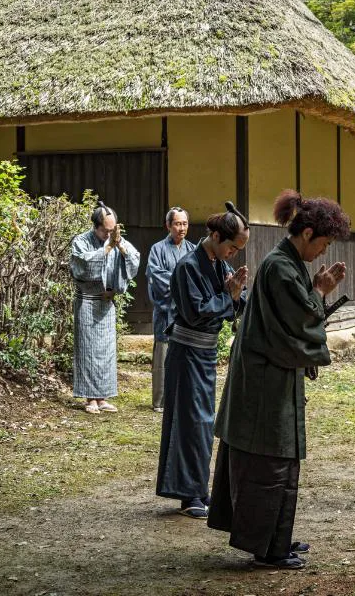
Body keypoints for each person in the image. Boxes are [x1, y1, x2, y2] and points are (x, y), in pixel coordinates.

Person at [208, 189, 350, 570]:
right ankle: (267, 549)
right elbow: (300, 320)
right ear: (306, 234)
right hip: (263, 382)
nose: (324, 251)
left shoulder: (287, 264)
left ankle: (276, 537)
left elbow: (299, 317)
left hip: (272, 376)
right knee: (268, 461)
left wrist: (316, 290)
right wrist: (319, 291)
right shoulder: (281, 267)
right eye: (323, 243)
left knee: (282, 460)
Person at [155, 202, 250, 519]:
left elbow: (232, 303)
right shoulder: (188, 267)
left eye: (238, 250)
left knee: (203, 423)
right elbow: (197, 311)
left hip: (205, 355)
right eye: (232, 247)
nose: (233, 255)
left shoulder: (218, 264)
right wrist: (231, 297)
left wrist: (241, 296)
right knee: (190, 423)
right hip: (186, 354)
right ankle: (189, 495)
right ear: (214, 235)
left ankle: (198, 489)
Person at [70, 201, 141, 414]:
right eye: (105, 231)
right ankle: (90, 399)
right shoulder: (81, 241)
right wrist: (107, 249)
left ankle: (102, 398)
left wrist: (119, 247)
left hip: (106, 302)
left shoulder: (116, 240)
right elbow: (81, 266)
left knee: (106, 351)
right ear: (95, 227)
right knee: (88, 350)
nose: (108, 234)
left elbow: (134, 262)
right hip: (87, 301)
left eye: (112, 230)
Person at [146, 207, 196, 413]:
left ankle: (180, 399)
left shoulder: (193, 249)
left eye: (184, 223)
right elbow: (156, 277)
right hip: (166, 310)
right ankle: (160, 401)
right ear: (168, 225)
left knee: (184, 356)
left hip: (185, 313)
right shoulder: (157, 249)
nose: (181, 228)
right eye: (177, 223)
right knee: (163, 356)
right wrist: (181, 285)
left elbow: (197, 277)